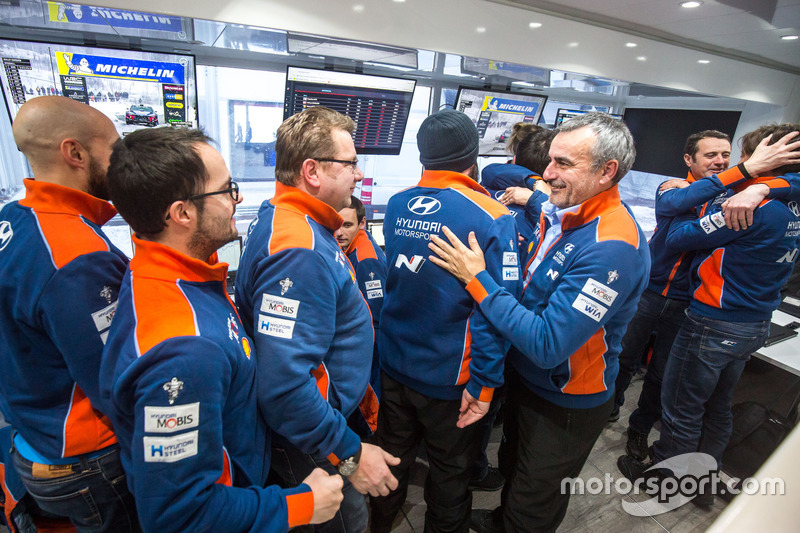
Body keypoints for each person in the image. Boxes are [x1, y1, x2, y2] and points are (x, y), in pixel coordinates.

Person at [99, 126, 343, 532]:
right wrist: (302, 505)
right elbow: (181, 514)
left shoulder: (166, 274)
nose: (239, 198)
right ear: (182, 213)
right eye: (227, 189)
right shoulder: (184, 349)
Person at [429, 112, 650, 533]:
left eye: (564, 164)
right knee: (513, 467)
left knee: (536, 497)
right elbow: (509, 175)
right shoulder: (561, 208)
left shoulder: (612, 247)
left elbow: (548, 342)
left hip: (566, 398)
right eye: (550, 160)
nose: (548, 174)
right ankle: (501, 519)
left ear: (607, 172)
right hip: (529, 382)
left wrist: (478, 279)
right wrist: (532, 188)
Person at [235, 106, 399, 533]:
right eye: (350, 163)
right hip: (312, 438)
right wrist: (348, 452)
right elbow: (285, 385)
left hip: (315, 427)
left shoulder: (288, 217)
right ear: (312, 170)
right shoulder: (299, 251)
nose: (359, 175)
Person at [617, 124, 800, 507]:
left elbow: (682, 237)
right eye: (710, 156)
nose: (721, 162)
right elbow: (669, 205)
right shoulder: (683, 187)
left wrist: (757, 186)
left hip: (706, 314)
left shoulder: (746, 203)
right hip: (672, 298)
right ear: (689, 161)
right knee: (707, 402)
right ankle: (702, 480)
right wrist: (753, 181)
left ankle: (672, 481)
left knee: (678, 398)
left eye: (728, 156)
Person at [370, 108, 522, 533]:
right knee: (450, 475)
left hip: (395, 364)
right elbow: (497, 310)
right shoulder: (493, 216)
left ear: (423, 157)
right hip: (451, 377)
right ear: (473, 157)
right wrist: (487, 384)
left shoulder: (398, 204)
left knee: (392, 462)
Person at [0, 96, 140, 532]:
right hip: (86, 458)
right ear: (75, 153)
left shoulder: (12, 219)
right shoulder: (77, 255)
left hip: (32, 439)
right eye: (114, 151)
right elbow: (114, 380)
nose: (122, 165)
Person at [334, 195, 388, 400]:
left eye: (347, 225)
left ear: (362, 223)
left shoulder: (366, 261)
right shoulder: (352, 246)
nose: (339, 233)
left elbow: (374, 317)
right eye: (337, 224)